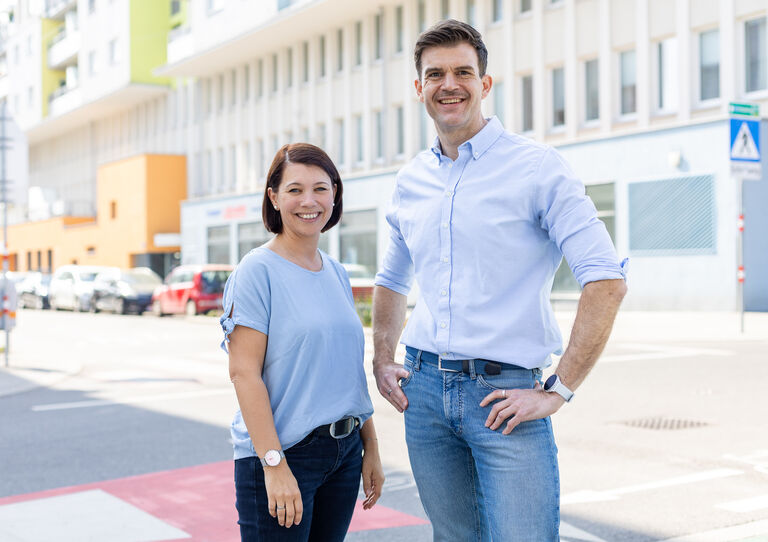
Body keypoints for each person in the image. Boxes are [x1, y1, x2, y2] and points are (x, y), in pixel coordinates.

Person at [372, 20, 627, 541]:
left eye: (463, 71)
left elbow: (605, 279)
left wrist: (559, 390)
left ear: (485, 84)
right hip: (423, 396)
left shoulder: (537, 168)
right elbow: (392, 279)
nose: (450, 84)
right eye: (435, 74)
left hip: (504, 399)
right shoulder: (410, 180)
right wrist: (381, 356)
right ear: (418, 88)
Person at [220, 143, 384, 541]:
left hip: (344, 454)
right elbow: (244, 374)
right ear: (274, 198)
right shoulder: (256, 271)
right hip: (285, 454)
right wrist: (274, 465)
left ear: (334, 195)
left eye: (320, 188)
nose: (308, 201)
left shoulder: (337, 272)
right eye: (294, 190)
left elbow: (346, 371)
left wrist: (371, 446)